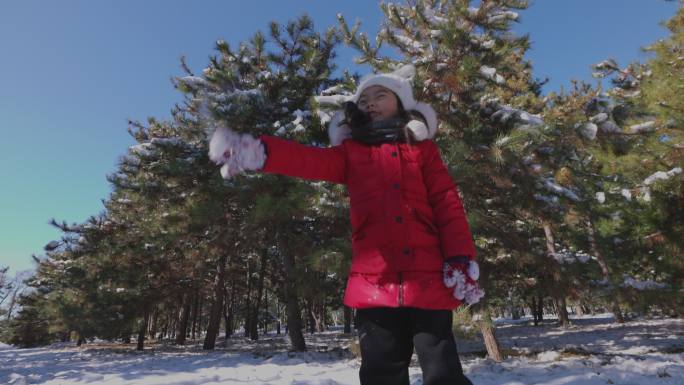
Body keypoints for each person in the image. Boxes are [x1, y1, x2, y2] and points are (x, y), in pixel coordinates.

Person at [208, 64, 482, 385]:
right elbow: (309, 161)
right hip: (374, 285)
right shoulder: (351, 153)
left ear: (401, 102)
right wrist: (262, 152)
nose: (371, 102)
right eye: (364, 99)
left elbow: (447, 204)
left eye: (380, 95)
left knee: (443, 372)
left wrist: (460, 258)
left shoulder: (422, 151)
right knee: (381, 374)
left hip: (428, 279)